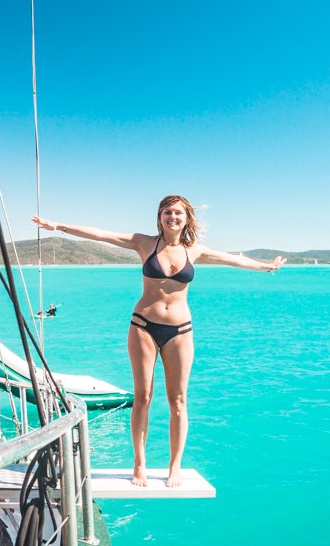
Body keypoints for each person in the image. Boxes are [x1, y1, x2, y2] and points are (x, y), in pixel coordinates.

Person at [32, 195, 285, 487]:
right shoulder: (144, 243)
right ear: (160, 216)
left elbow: (233, 260)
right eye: (167, 212)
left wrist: (266, 266)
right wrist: (56, 226)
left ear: (186, 218)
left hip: (180, 331)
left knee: (178, 401)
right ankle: (139, 463)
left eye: (178, 213)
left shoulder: (196, 251)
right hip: (143, 326)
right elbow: (101, 234)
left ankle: (174, 466)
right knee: (143, 397)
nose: (172, 217)